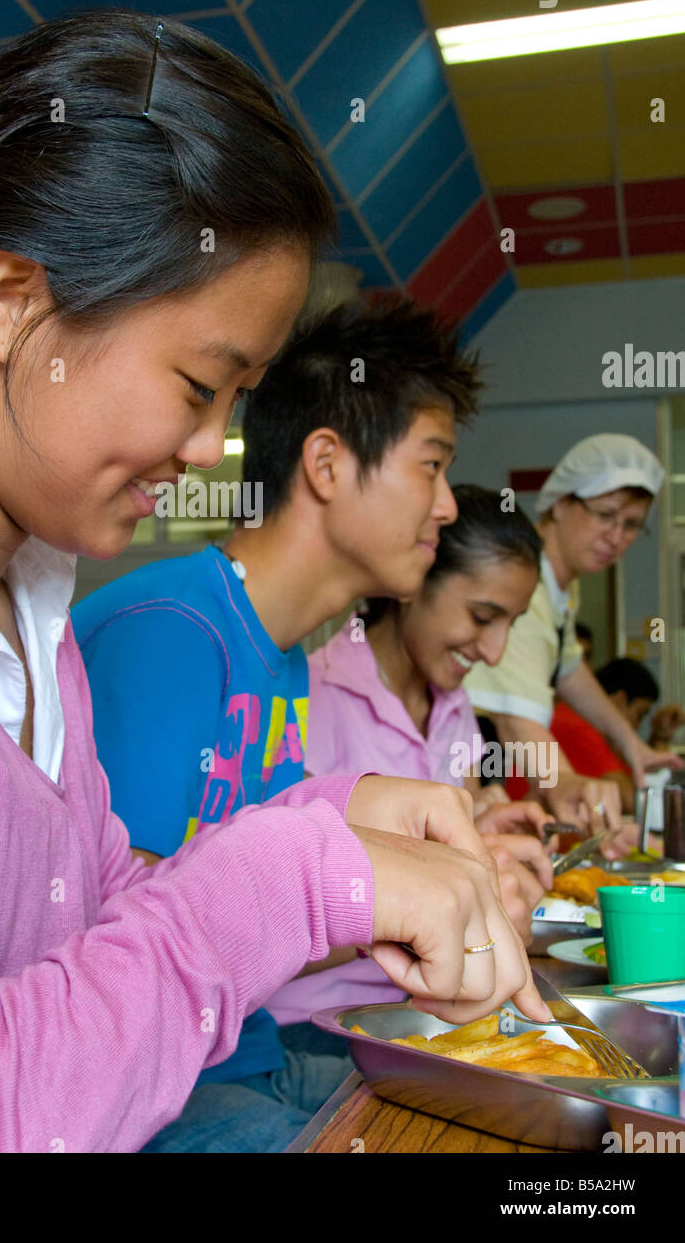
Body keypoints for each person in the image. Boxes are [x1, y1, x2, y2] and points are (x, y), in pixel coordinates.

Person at [0, 10, 545, 1155]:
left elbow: (98, 914)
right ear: (13, 303)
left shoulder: (30, 599)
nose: (208, 448)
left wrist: (338, 837)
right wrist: (287, 877)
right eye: (195, 384)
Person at [74, 302, 547, 1138]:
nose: (444, 508)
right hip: (162, 1090)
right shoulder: (173, 632)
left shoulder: (280, 656)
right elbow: (122, 938)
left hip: (248, 1052)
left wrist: (434, 885)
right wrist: (394, 898)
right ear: (326, 464)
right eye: (430, 467)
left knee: (526, 1114)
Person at [277, 486, 554, 1044]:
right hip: (317, 1031)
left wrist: (481, 840)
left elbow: (445, 848)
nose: (494, 652)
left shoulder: (455, 709)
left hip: (426, 1016)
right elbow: (264, 916)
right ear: (413, 581)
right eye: (482, 617)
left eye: (512, 625)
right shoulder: (309, 700)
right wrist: (438, 895)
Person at [463, 434, 681, 850]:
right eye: (605, 515)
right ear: (560, 503)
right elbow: (514, 718)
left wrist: (632, 746)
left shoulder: (561, 590)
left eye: (631, 525)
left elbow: (569, 669)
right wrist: (565, 782)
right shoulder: (524, 586)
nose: (616, 537)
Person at [552, 657, 685, 813]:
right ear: (621, 699)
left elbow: (632, 774)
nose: (638, 726)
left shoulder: (579, 722)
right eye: (640, 714)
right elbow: (633, 801)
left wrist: (658, 737)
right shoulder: (577, 726)